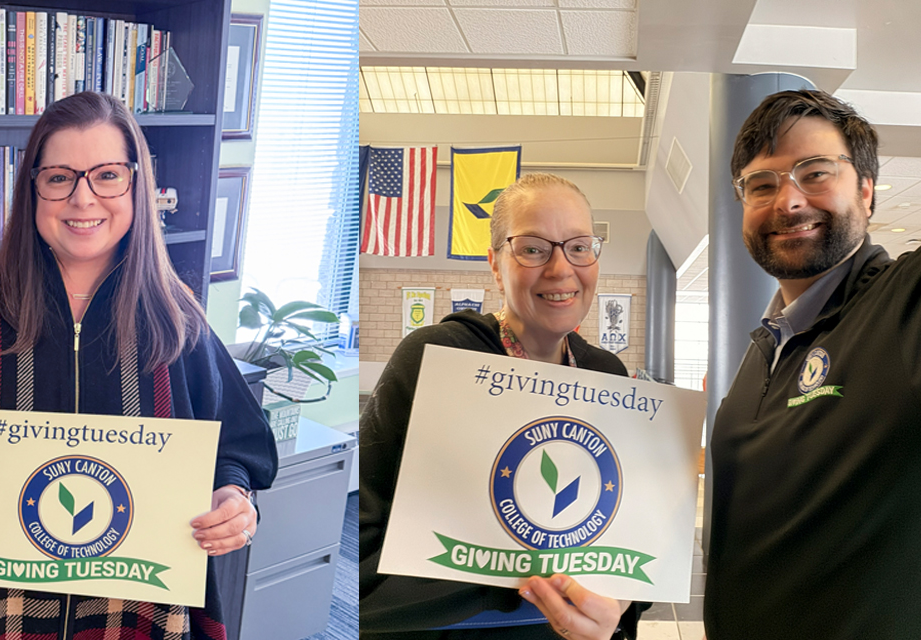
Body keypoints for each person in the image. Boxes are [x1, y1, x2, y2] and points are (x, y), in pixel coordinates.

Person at [0, 91, 278, 640]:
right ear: (33, 188)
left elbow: (235, 444)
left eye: (107, 175)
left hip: (132, 609)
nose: (83, 198)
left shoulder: (176, 317)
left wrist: (233, 497)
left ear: (136, 185)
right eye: (59, 177)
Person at [360, 173, 650, 640]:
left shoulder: (607, 377)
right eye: (533, 249)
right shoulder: (439, 359)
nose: (561, 269)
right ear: (495, 265)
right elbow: (360, 550)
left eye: (579, 246)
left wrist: (620, 601)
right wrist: (515, 578)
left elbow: (632, 547)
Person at [706, 89, 921, 638]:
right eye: (762, 184)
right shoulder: (767, 345)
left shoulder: (901, 305)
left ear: (867, 191)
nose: (789, 201)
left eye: (816, 173)